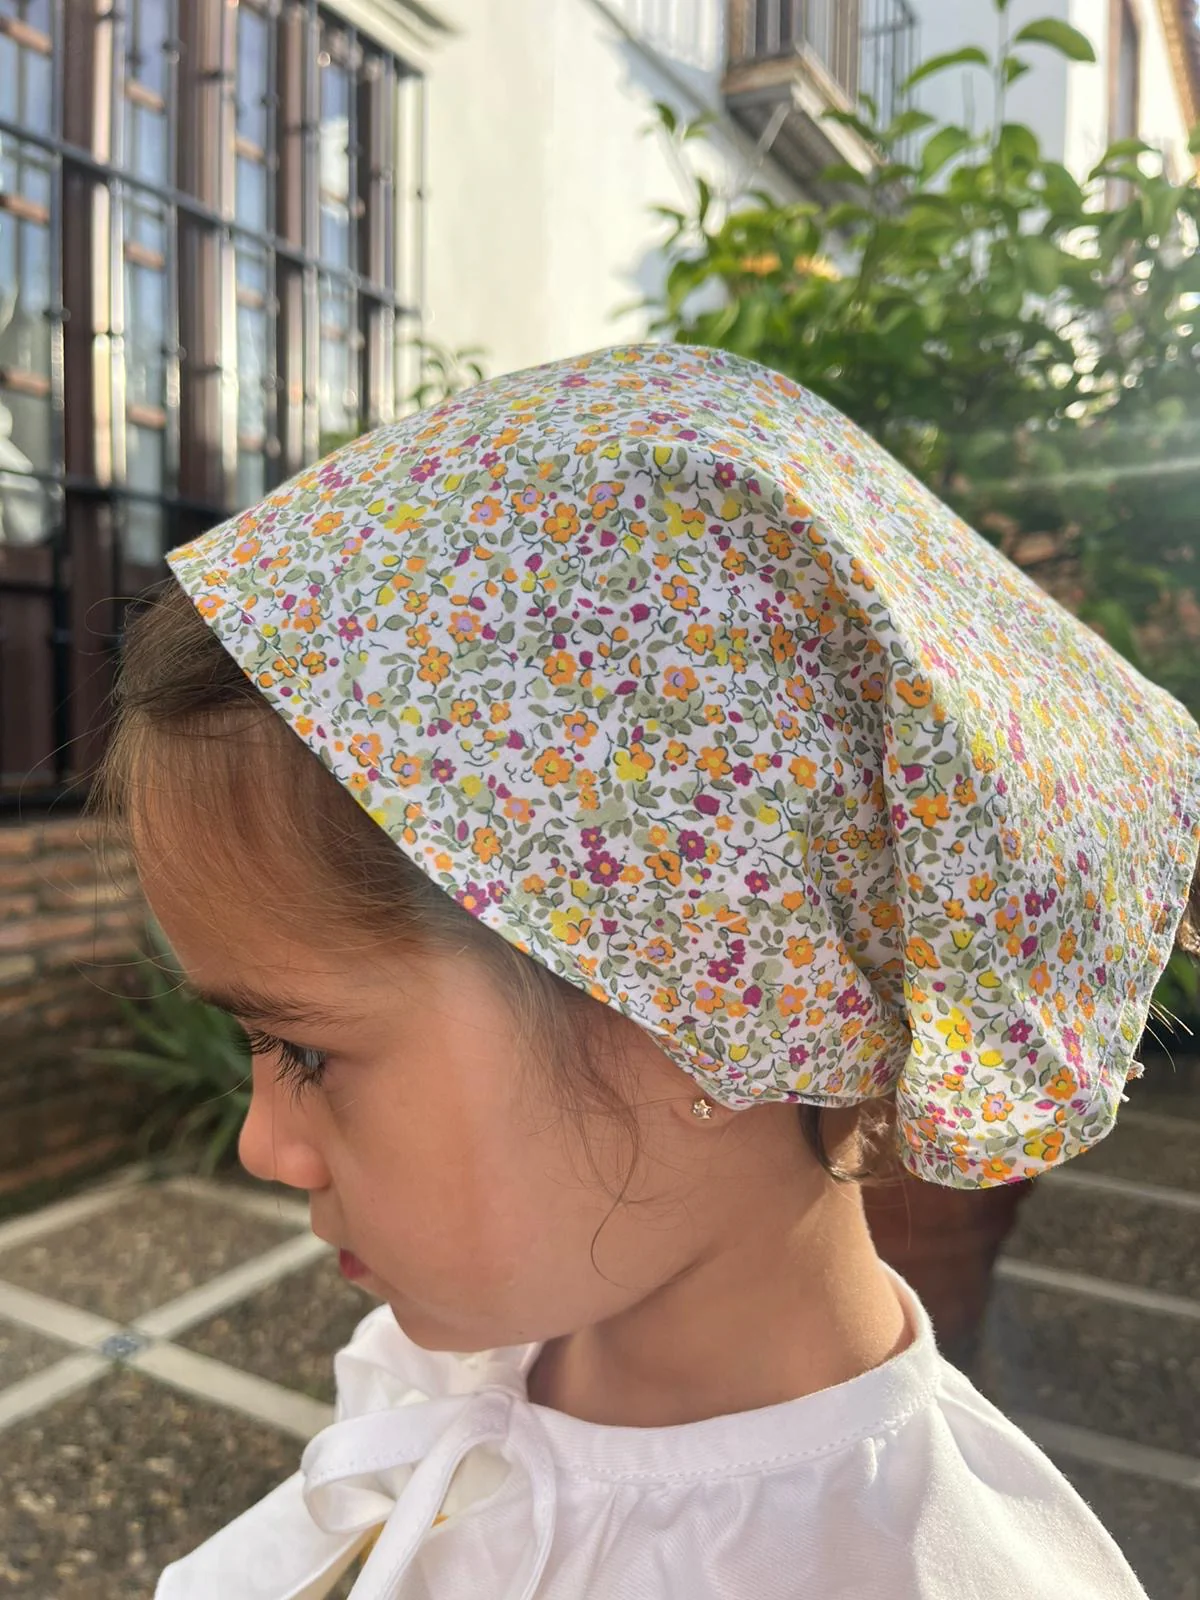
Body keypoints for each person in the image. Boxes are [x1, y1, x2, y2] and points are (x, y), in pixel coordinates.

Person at [96, 343, 1200, 1599]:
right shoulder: (459, 1375)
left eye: (303, 1049)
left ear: (704, 1011)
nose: (265, 1146)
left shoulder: (904, 1572)